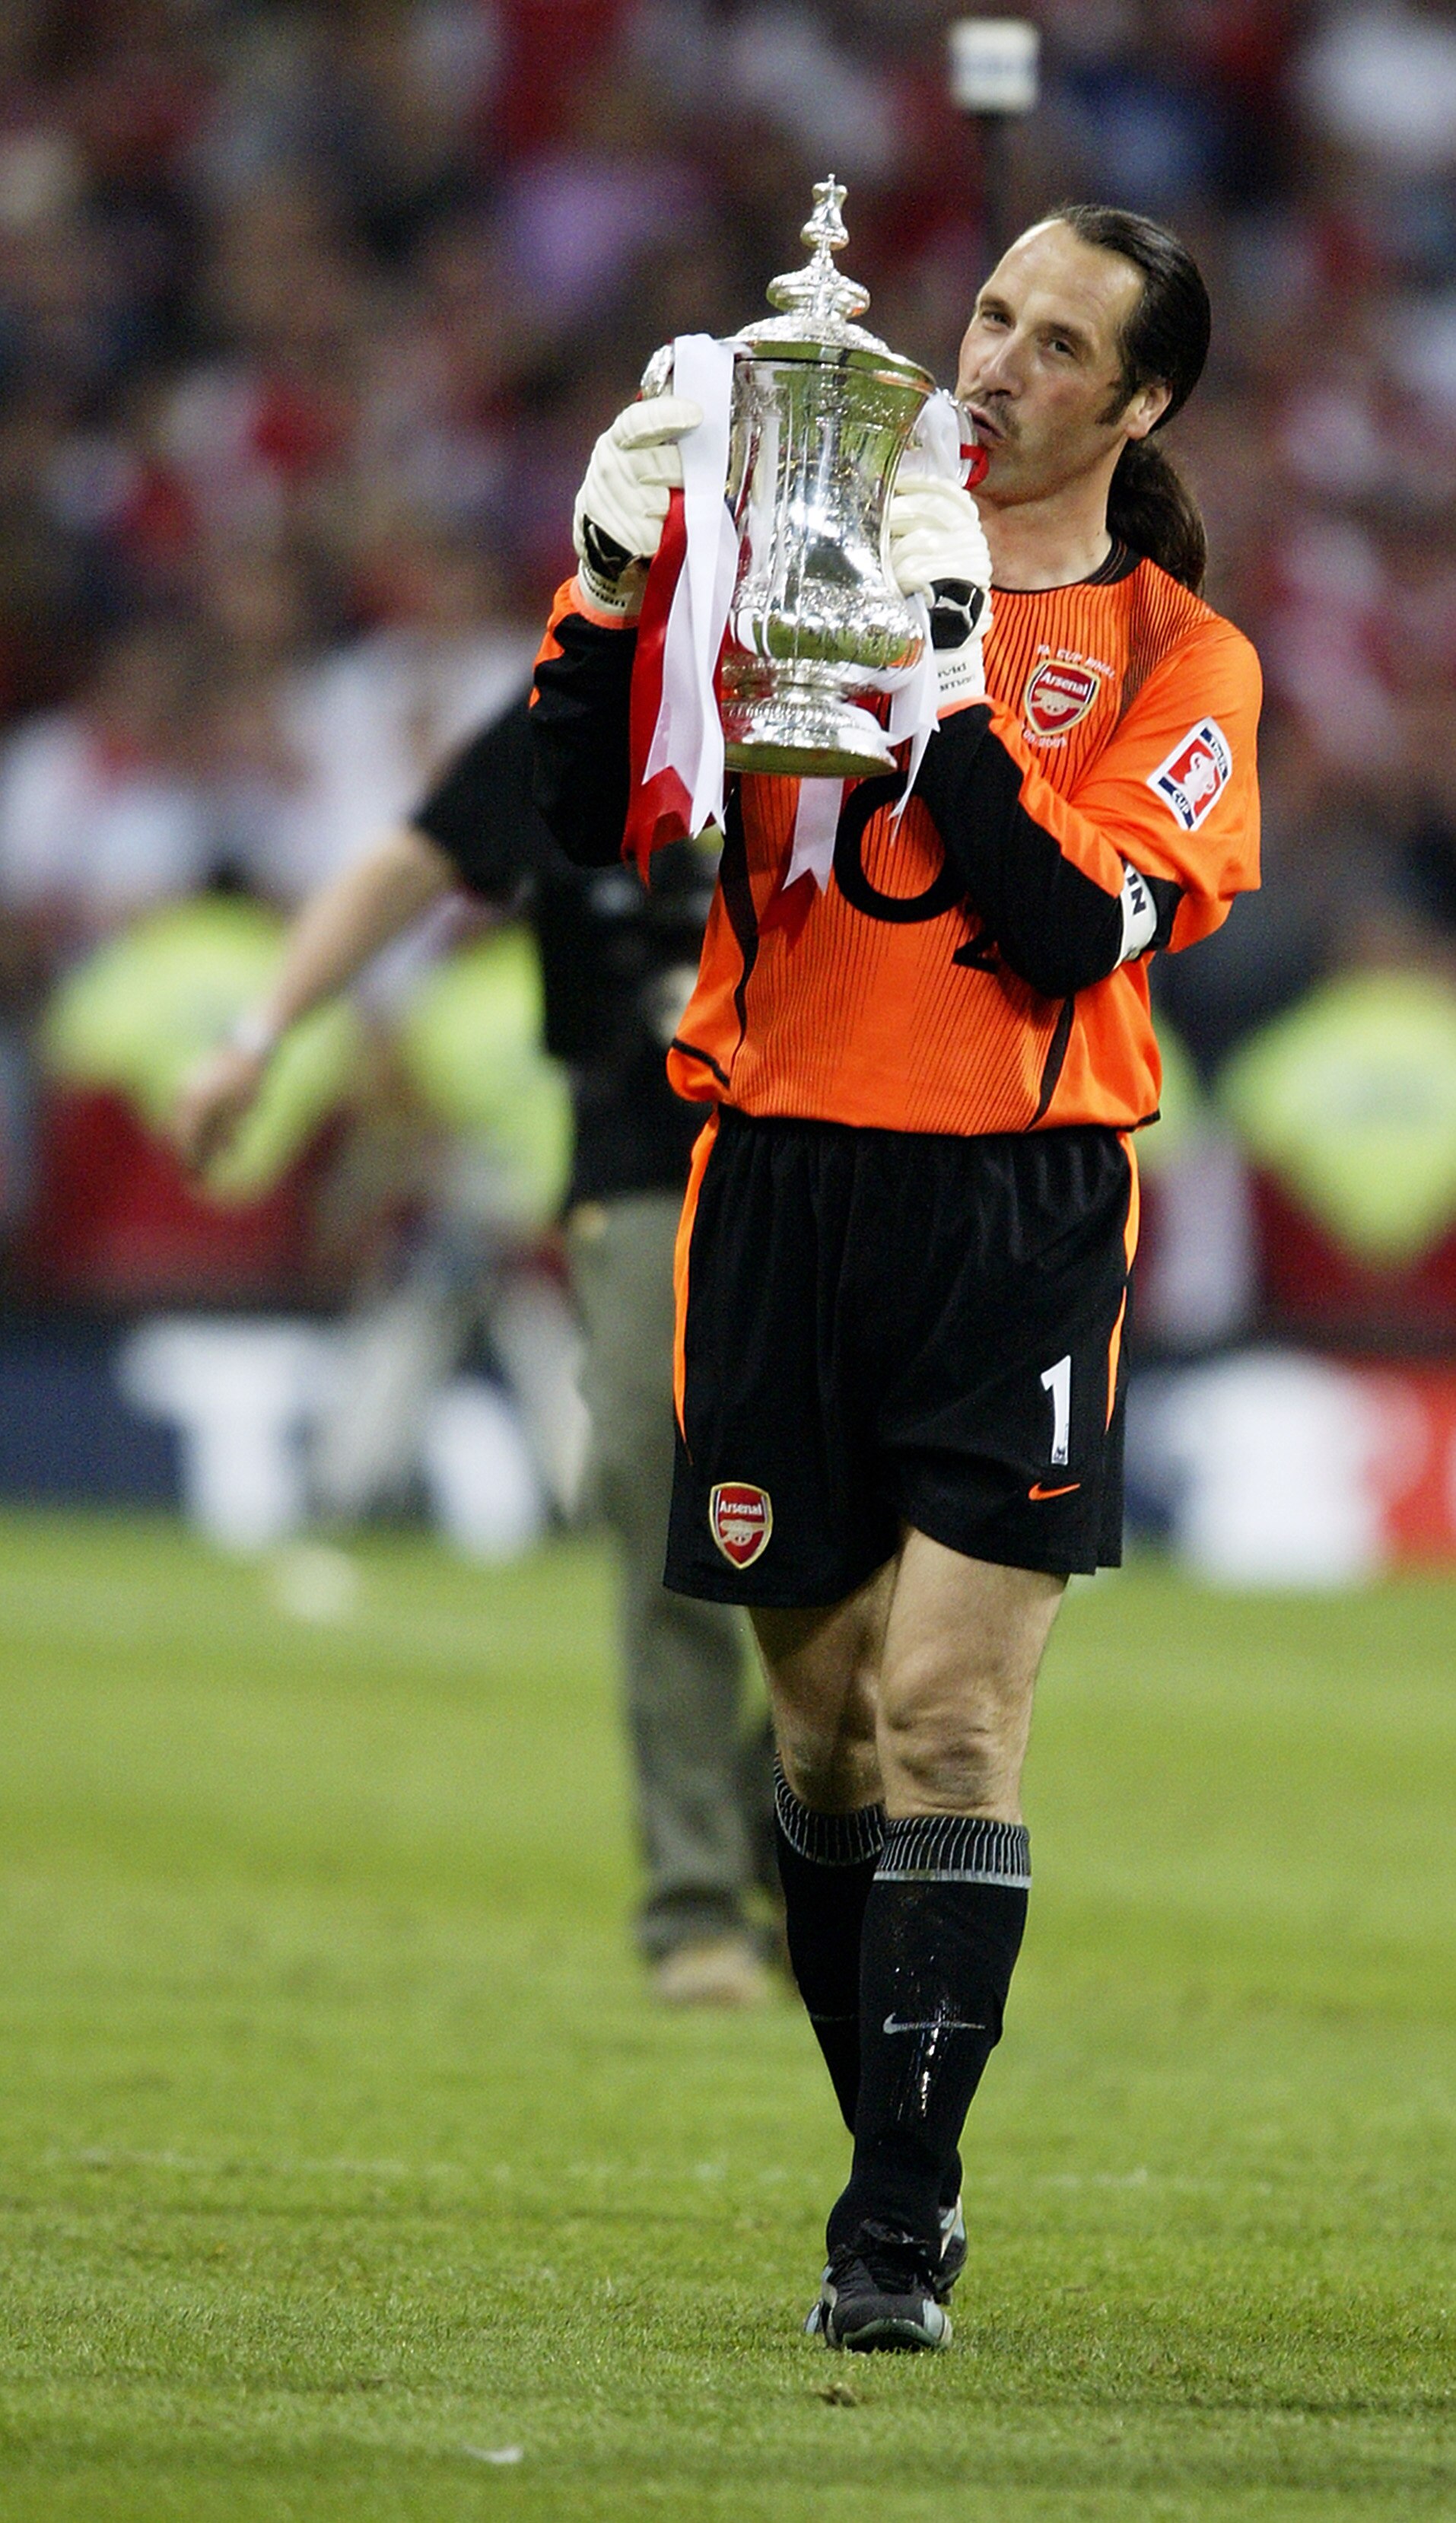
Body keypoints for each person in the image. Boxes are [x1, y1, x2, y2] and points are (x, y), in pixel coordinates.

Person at [530, 204, 1262, 2348]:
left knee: (951, 1713)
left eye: (1059, 347)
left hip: (1016, 1212)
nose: (997, 365)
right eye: (991, 317)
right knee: (828, 1725)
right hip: (770, 1183)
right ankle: (898, 2154)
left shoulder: (1177, 666)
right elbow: (595, 825)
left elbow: (1057, 927)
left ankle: (889, 2228)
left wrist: (943, 678)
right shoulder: (793, 543)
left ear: (1138, 410)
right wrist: (610, 578)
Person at [173, 692, 777, 2006]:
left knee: (859, 1548)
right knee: (654, 1498)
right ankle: (695, 1907)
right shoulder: (588, 707)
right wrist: (253, 1037)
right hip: (642, 1165)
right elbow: (412, 862)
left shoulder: (862, 676)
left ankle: (788, 1850)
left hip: (836, 1168)